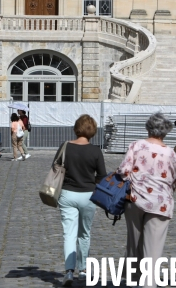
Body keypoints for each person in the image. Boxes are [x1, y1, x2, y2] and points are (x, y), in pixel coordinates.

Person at [118, 113, 176, 288]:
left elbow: (124, 170)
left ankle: (133, 279)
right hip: (160, 203)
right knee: (153, 250)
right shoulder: (170, 153)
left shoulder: (136, 146)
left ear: (148, 128)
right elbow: (175, 179)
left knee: (134, 244)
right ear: (165, 132)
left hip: (135, 198)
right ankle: (148, 283)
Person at [56, 114, 106, 286]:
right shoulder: (96, 151)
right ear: (93, 131)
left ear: (76, 128)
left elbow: (55, 167)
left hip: (67, 193)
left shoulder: (65, 146)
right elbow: (102, 176)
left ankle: (69, 271)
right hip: (88, 195)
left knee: (68, 234)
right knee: (84, 233)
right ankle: (83, 269)